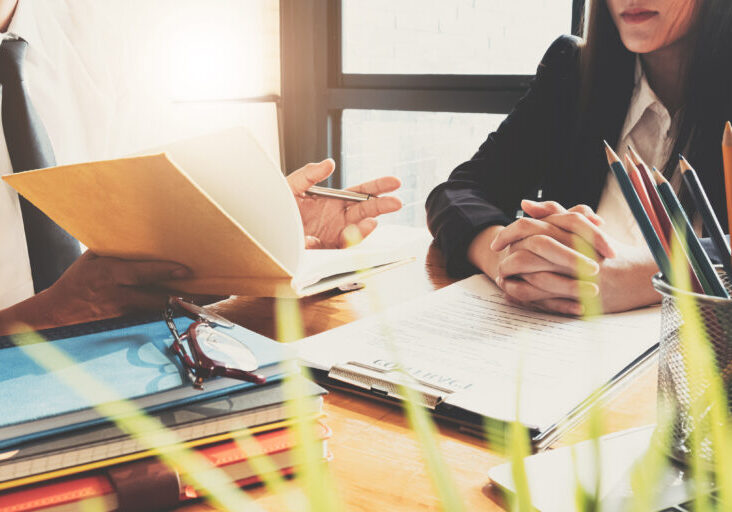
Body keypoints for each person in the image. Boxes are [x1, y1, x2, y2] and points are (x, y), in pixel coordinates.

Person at [0, 0, 401, 333]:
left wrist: (262, 226)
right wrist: (50, 314)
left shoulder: (100, 33)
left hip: (135, 346)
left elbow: (147, 217)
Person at [427, 0, 729, 315]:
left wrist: (644, 274)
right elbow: (457, 194)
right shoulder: (571, 70)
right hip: (561, 346)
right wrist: (509, 257)